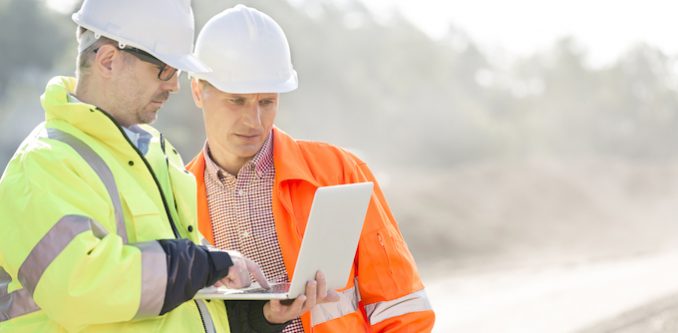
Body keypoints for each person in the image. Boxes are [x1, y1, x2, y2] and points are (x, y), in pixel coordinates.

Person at [0, 0, 327, 331]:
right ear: (109, 60)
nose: (174, 85)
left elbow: (180, 301)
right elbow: (77, 287)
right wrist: (202, 263)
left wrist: (258, 318)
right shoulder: (44, 163)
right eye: (165, 70)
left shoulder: (158, 157)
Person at [186, 5, 436, 332]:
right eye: (237, 100)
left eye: (267, 102)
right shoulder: (178, 196)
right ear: (197, 92)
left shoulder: (338, 173)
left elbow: (401, 307)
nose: (254, 121)